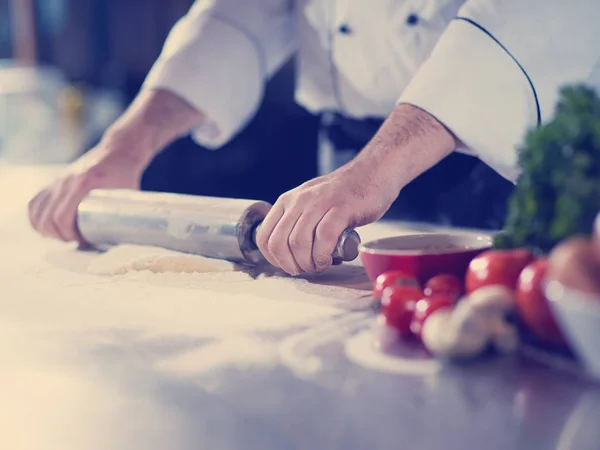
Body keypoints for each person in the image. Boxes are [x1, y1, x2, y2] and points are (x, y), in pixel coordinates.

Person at [28, 0, 600, 276]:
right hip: (350, 186)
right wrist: (123, 147)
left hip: (502, 175)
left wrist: (377, 169)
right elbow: (239, 13)